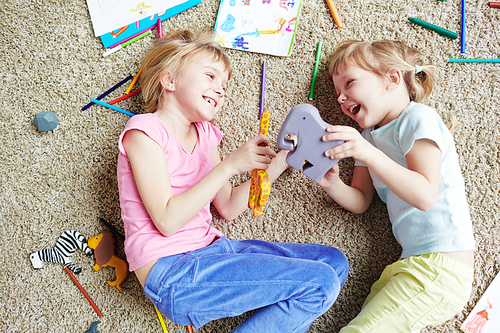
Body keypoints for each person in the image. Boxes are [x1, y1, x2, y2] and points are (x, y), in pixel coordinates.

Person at [116, 27, 349, 332]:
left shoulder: (205, 135)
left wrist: (281, 160)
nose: (221, 89)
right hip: (174, 273)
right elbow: (167, 220)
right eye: (210, 76)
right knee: (320, 282)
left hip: (215, 251)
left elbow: (227, 207)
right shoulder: (144, 130)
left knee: (333, 262)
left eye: (224, 85)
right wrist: (229, 166)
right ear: (169, 80)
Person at [320, 40, 475, 332]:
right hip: (410, 264)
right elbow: (362, 200)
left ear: (392, 78)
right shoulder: (367, 138)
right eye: (337, 92)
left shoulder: (417, 118)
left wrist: (367, 154)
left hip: (440, 266)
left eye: (349, 83)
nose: (341, 99)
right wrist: (333, 185)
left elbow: (425, 194)